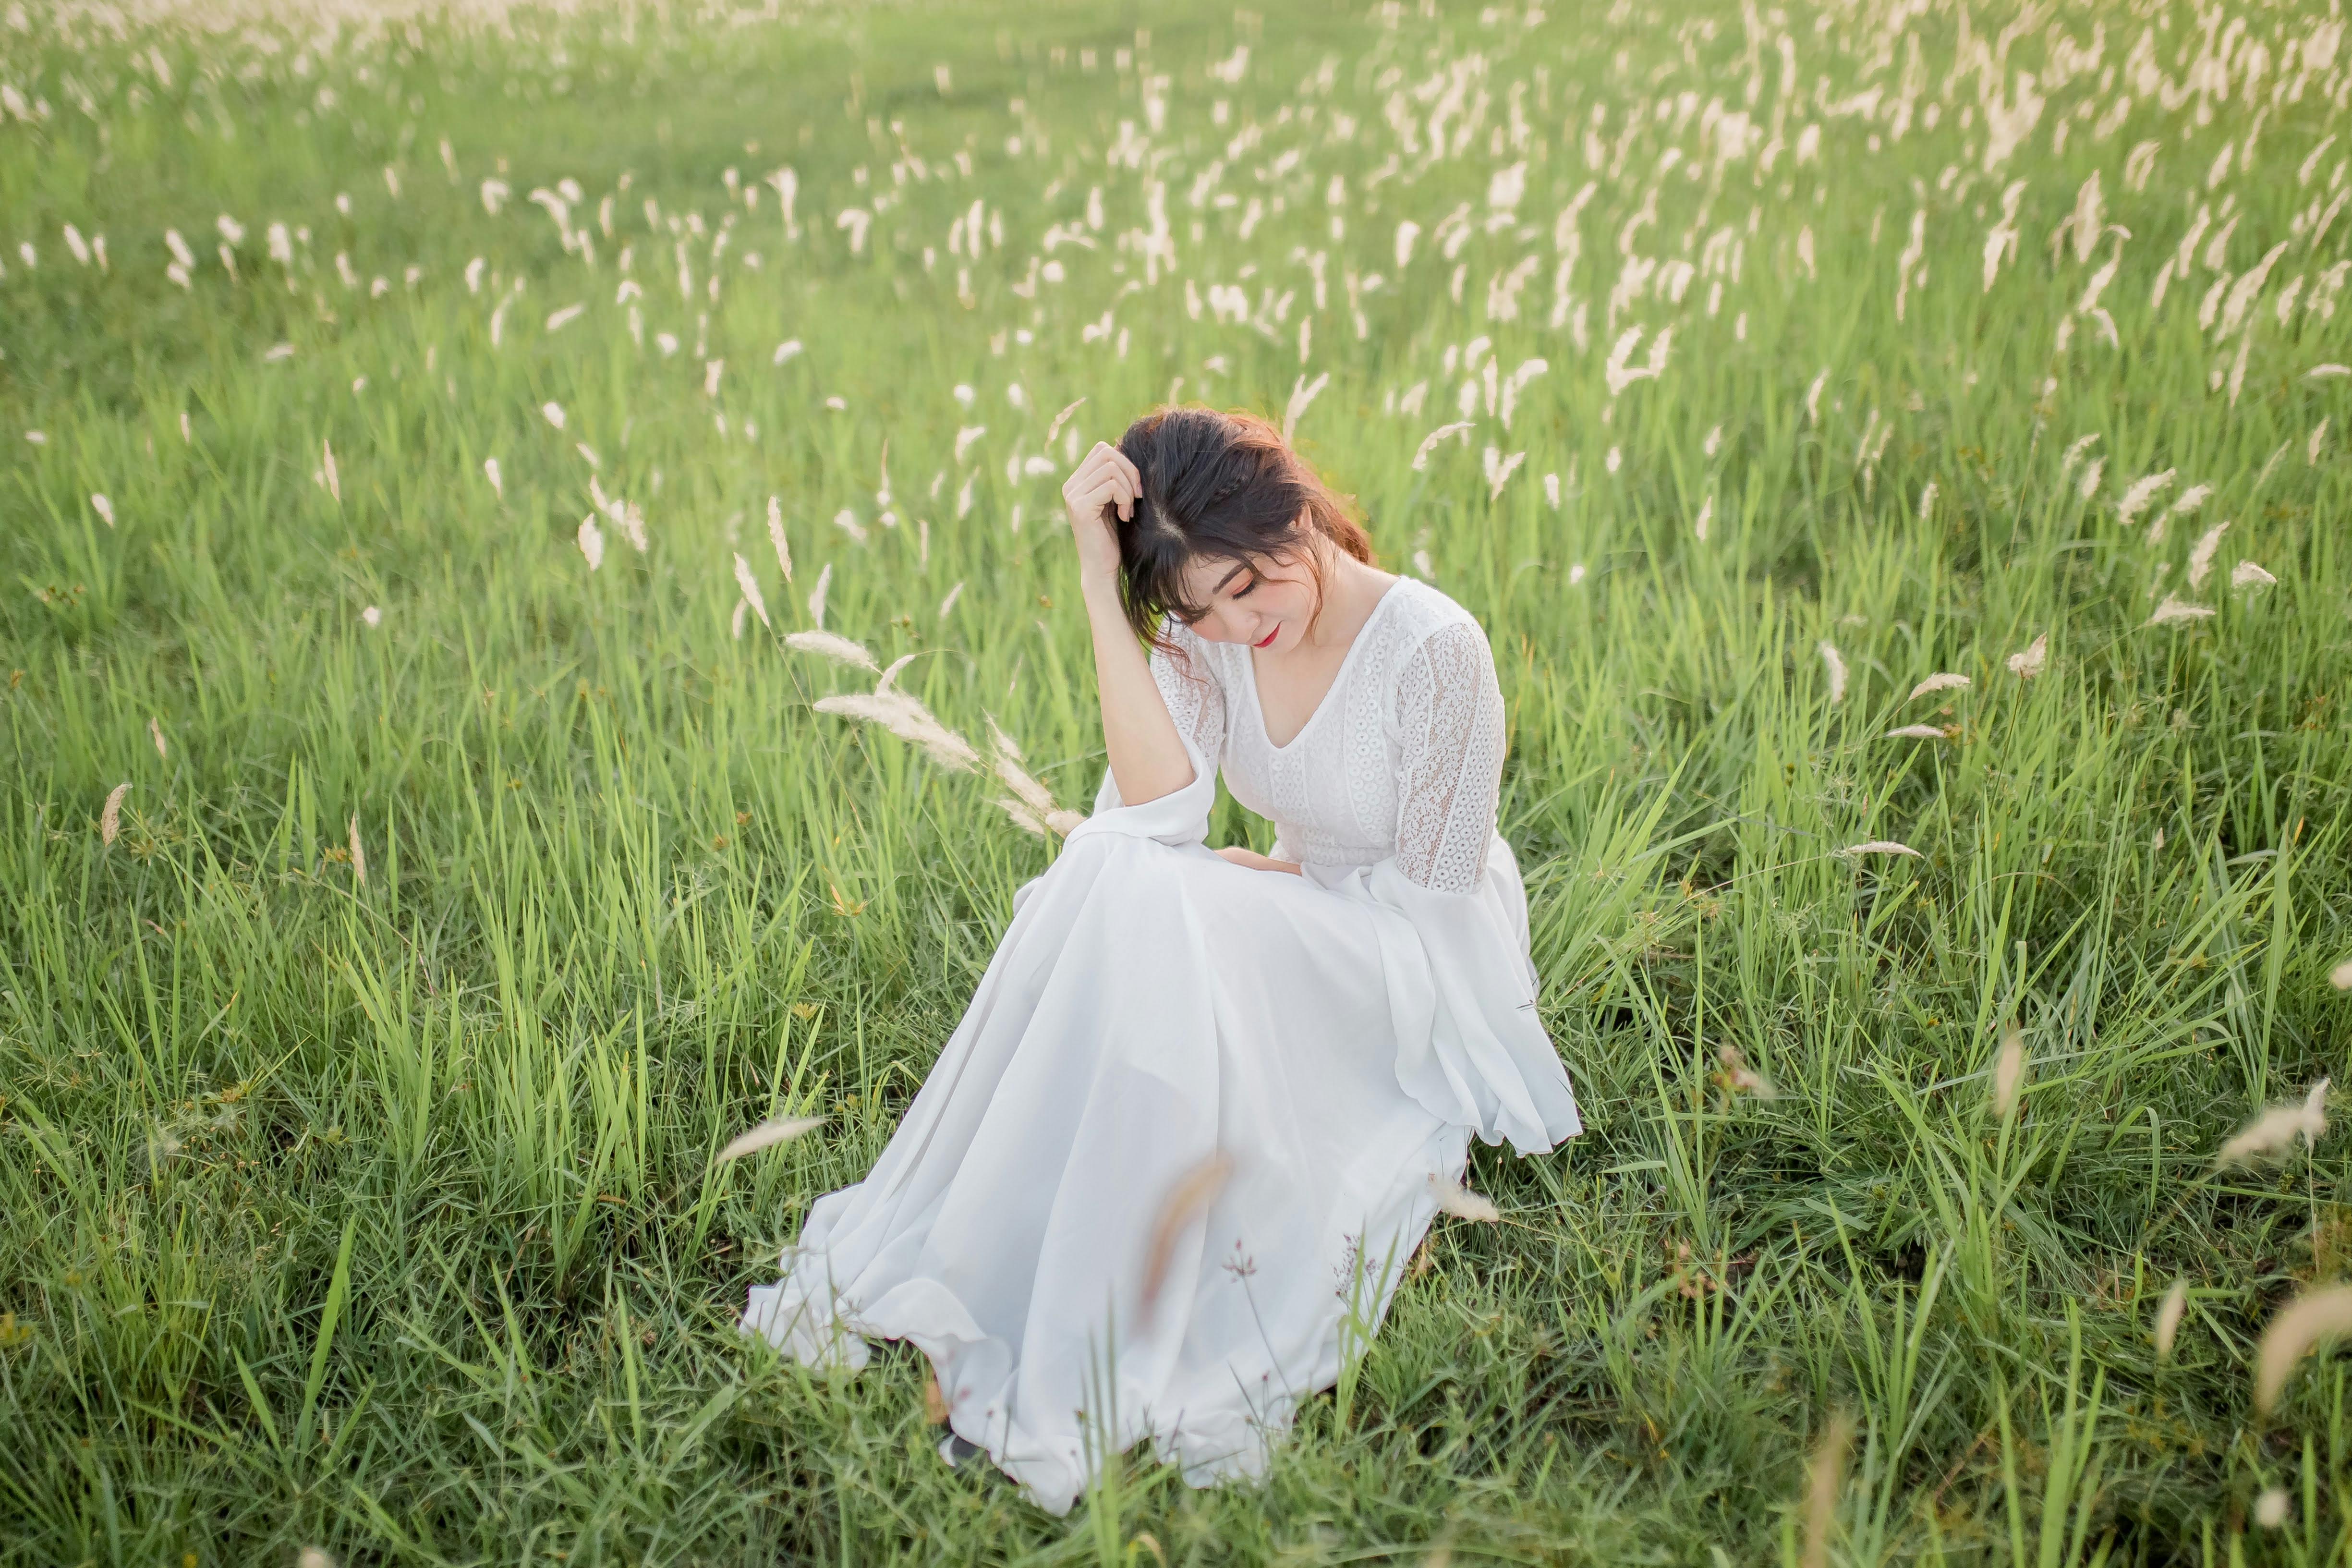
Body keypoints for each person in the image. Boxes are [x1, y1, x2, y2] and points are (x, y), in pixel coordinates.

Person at [740, 403, 1583, 1515]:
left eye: (1247, 586)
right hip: (1304, 916)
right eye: (1199, 610)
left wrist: (1265, 885)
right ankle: (1049, 1247)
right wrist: (1104, 587)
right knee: (1113, 872)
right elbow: (1154, 814)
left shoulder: (1435, 649)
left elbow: (1438, 906)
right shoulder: (1201, 633)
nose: (1236, 626)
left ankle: (1112, 1299)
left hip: (1408, 962)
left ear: (1296, 510)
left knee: (1145, 890)